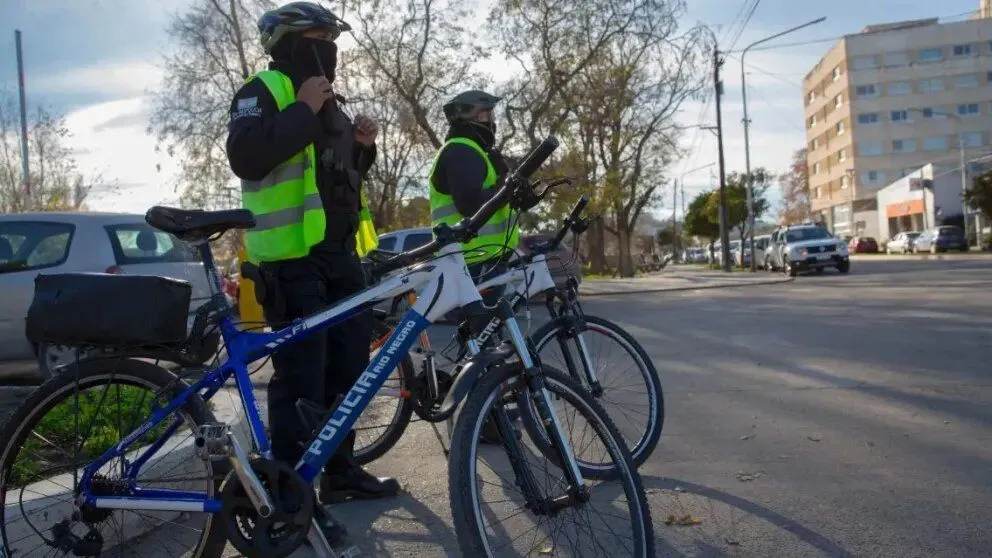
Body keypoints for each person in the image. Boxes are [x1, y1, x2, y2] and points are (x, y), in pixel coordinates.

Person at [225, 0, 398, 545]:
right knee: (300, 380)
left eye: (333, 40)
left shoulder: (330, 104)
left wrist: (362, 149)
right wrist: (301, 108)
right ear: (288, 43)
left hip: (340, 259)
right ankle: (289, 497)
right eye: (318, 38)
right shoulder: (264, 91)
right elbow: (248, 158)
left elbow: (336, 177)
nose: (329, 50)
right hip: (292, 261)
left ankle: (340, 473)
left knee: (348, 372)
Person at [428, 90, 522, 444]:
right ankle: (487, 419)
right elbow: (468, 201)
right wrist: (503, 188)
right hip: (473, 260)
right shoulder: (461, 151)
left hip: (485, 257)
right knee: (486, 344)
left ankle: (485, 411)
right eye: (485, 115)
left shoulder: (478, 152)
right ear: (466, 118)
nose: (492, 121)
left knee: (482, 340)